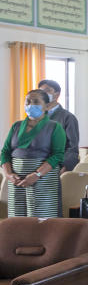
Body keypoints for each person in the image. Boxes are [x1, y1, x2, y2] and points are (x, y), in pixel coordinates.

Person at [1, 89, 65, 218]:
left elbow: (57, 155)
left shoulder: (54, 127)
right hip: (16, 181)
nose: (30, 105)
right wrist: (8, 174)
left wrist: (37, 174)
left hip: (42, 180)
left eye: (36, 102)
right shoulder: (16, 126)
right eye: (28, 101)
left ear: (46, 106)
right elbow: (5, 152)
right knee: (17, 218)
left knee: (40, 219)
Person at [38, 79, 79, 171]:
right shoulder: (37, 116)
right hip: (37, 165)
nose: (43, 94)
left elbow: (72, 148)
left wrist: (64, 166)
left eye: (47, 91)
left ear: (57, 94)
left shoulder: (68, 117)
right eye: (41, 92)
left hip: (56, 166)